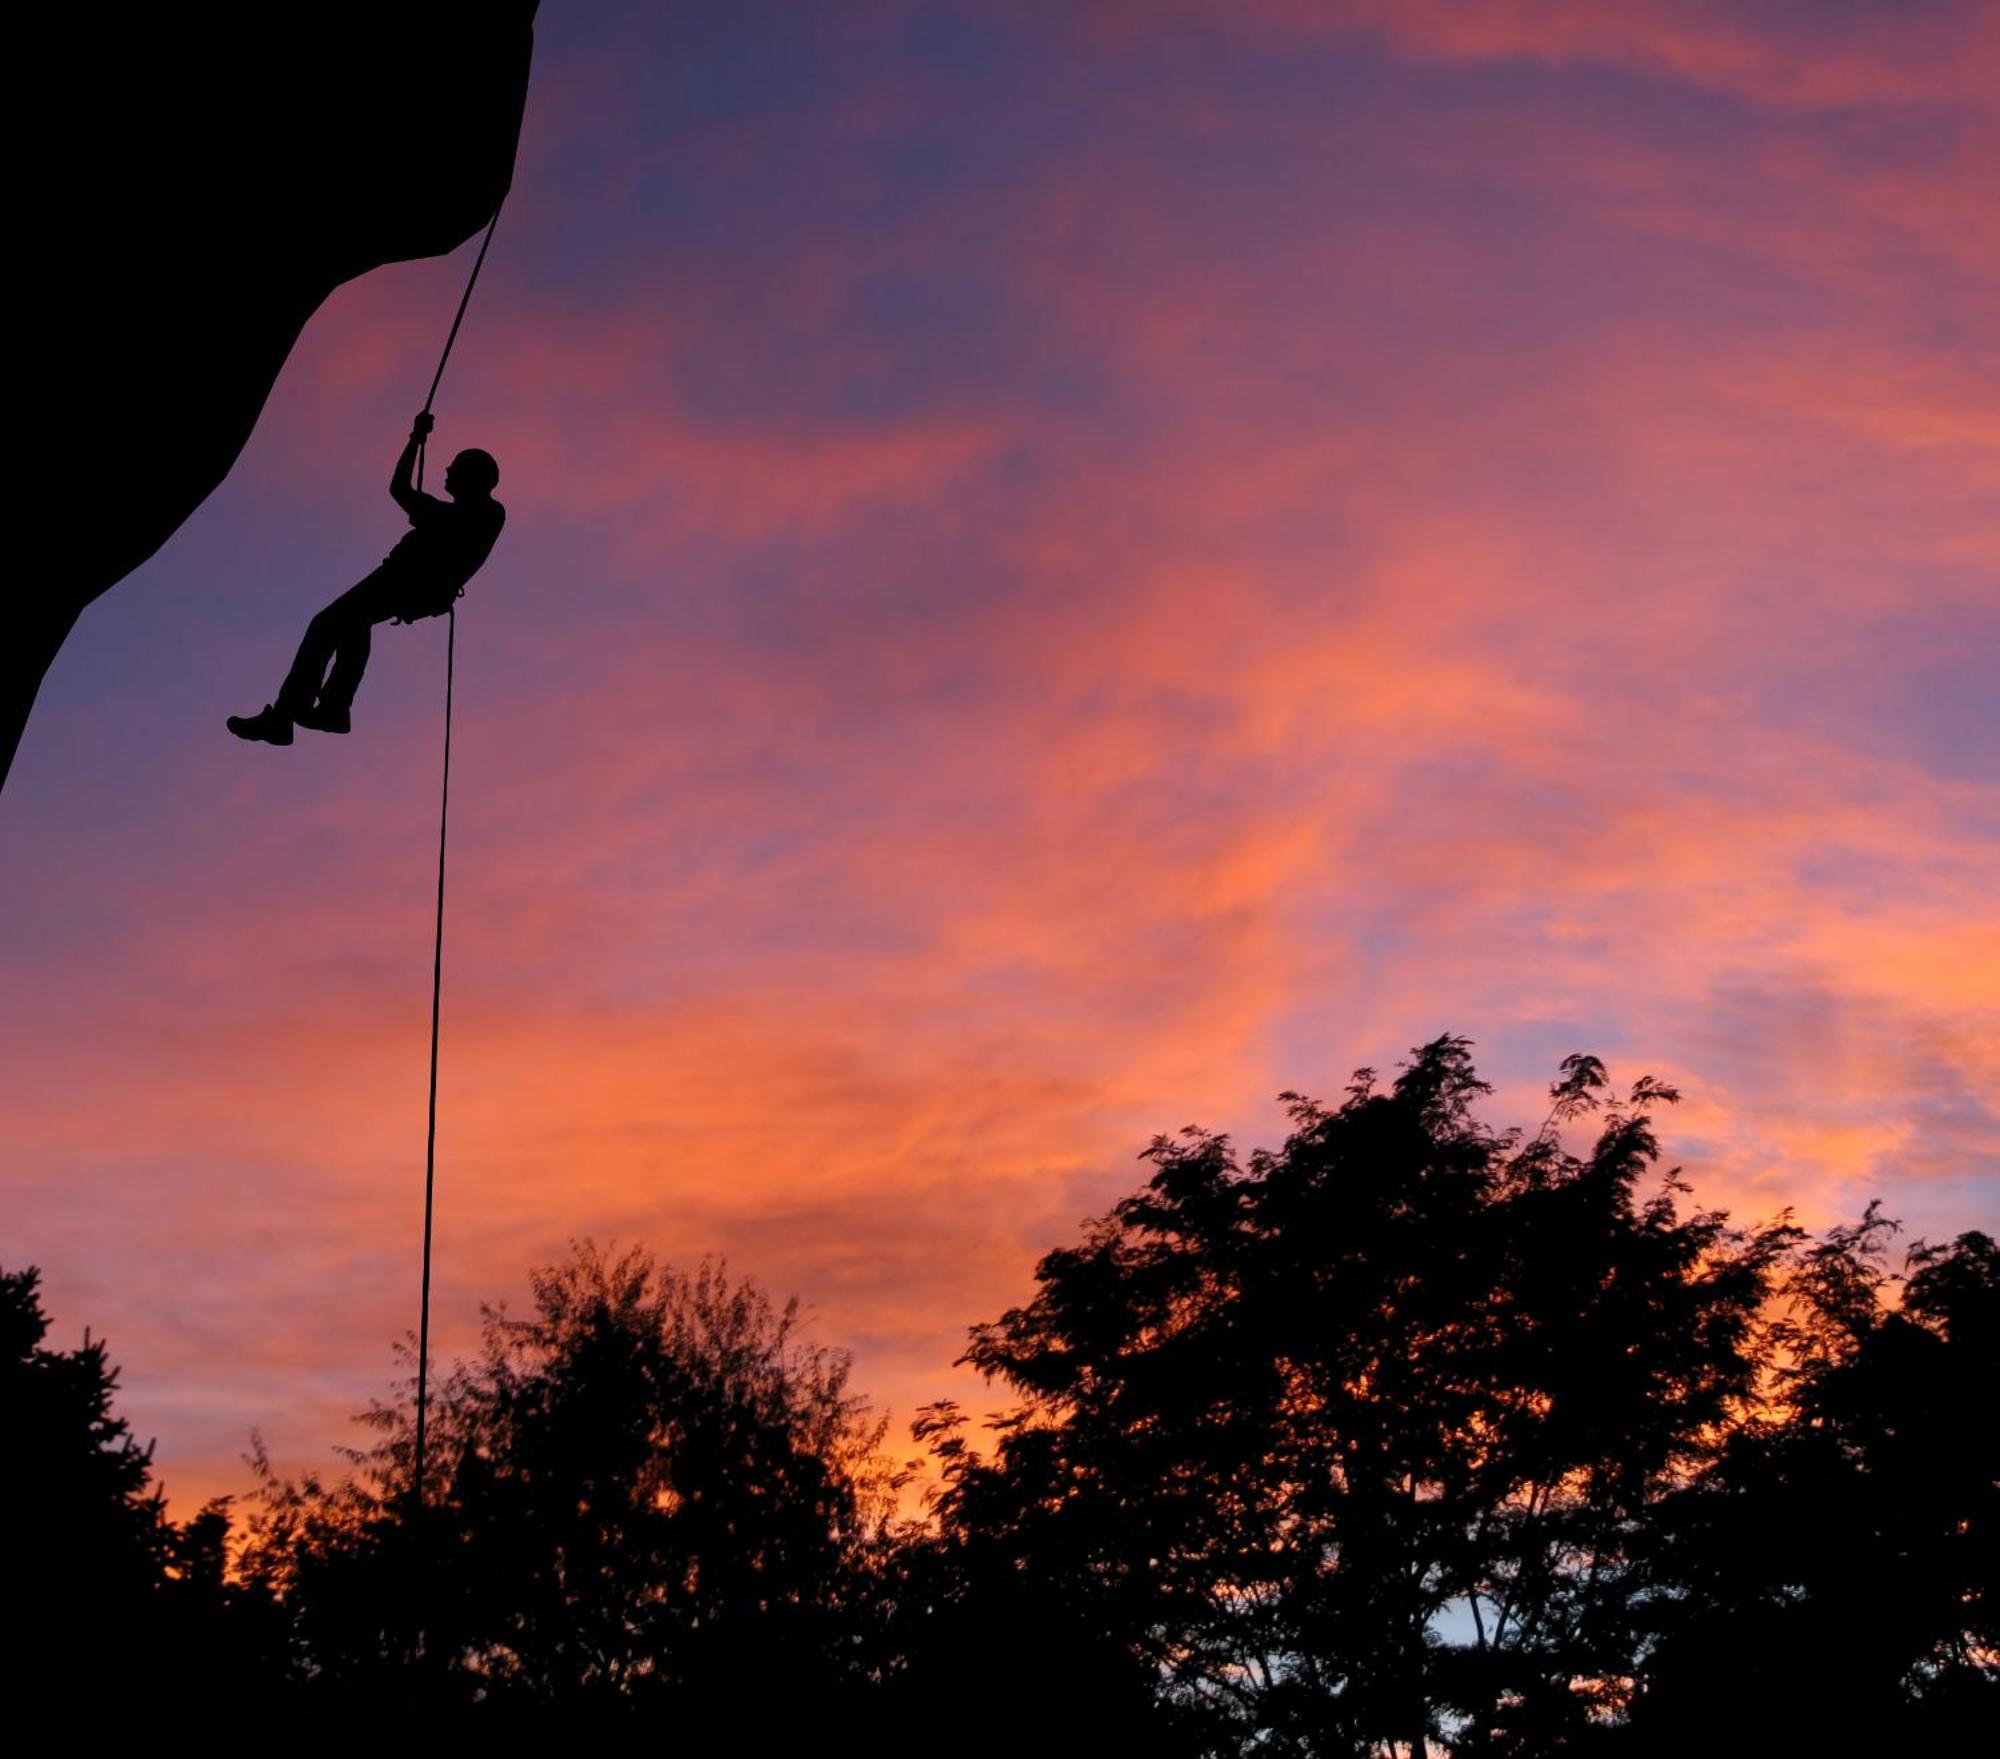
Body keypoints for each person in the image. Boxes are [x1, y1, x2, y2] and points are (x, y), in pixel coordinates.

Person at [228, 412, 504, 744]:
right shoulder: (453, 513)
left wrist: (426, 510)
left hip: (407, 582)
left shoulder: (487, 513)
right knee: (351, 625)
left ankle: (295, 714)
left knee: (326, 624)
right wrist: (416, 439)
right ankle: (330, 710)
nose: (447, 470)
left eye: (456, 466)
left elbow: (450, 522)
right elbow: (399, 489)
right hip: (402, 581)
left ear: (474, 477)